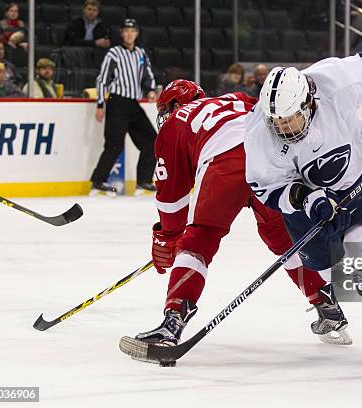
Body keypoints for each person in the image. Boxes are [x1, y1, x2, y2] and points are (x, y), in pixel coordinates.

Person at [119, 81, 349, 363]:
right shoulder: (237, 98)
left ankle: (173, 322)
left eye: (165, 109)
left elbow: (171, 195)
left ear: (175, 106)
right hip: (271, 160)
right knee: (282, 237)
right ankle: (326, 305)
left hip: (224, 161)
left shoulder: (175, 122)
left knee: (200, 238)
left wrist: (168, 237)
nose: (164, 116)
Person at [244, 47, 362, 367]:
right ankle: (334, 297)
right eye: (278, 123)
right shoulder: (259, 134)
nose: (285, 129)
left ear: (308, 102)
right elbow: (265, 188)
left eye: (292, 119)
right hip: (305, 208)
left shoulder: (337, 80)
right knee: (328, 271)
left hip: (352, 181)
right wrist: (308, 199)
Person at [90, 19, 157, 197]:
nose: (129, 34)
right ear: (121, 33)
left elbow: (148, 75)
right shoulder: (114, 53)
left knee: (152, 141)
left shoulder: (141, 53)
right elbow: (103, 80)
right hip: (116, 101)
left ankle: (143, 181)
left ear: (137, 33)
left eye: (132, 30)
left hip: (133, 104)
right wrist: (100, 104)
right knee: (114, 144)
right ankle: (98, 182)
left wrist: (150, 90)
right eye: (126, 30)